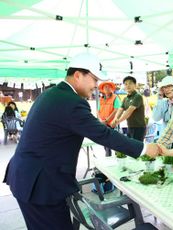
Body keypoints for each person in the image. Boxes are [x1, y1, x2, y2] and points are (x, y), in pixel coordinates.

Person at [3, 53, 158, 230]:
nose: (96, 85)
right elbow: (104, 135)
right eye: (94, 79)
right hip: (40, 185)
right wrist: (145, 148)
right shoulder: (71, 101)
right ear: (78, 75)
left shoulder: (53, 94)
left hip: (28, 177)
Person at [112, 76, 146, 141]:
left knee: (136, 149)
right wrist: (115, 118)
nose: (128, 85)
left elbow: (129, 111)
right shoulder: (125, 98)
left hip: (139, 128)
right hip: (130, 127)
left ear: (135, 85)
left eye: (130, 83)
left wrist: (118, 121)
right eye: (126, 84)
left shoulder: (137, 96)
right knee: (130, 148)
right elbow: (120, 109)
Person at [152, 76, 173, 147]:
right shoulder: (164, 102)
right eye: (164, 87)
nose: (166, 90)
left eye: (169, 86)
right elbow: (155, 118)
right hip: (166, 140)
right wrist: (159, 98)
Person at [97, 81, 121, 156]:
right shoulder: (101, 99)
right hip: (102, 123)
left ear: (112, 89)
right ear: (102, 89)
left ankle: (114, 156)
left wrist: (107, 120)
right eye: (105, 87)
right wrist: (100, 120)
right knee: (105, 142)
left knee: (112, 142)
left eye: (109, 87)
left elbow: (116, 110)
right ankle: (108, 156)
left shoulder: (115, 98)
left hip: (112, 124)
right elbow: (98, 110)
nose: (107, 88)